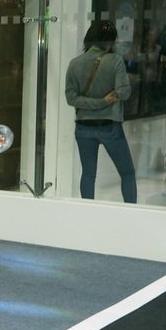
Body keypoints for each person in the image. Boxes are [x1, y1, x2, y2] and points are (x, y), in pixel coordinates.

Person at [65, 19, 136, 203]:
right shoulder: (115, 61)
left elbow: (71, 98)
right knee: (127, 173)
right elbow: (124, 92)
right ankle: (132, 213)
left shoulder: (74, 63)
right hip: (109, 126)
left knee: (88, 174)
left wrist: (94, 103)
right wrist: (103, 101)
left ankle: (87, 213)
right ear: (110, 41)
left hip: (83, 127)